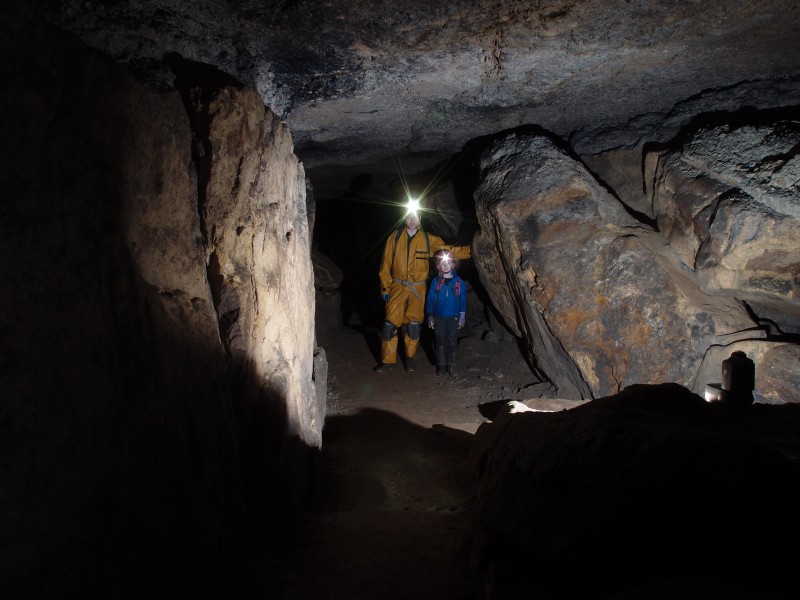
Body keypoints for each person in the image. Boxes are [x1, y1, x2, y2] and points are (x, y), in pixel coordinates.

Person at [375, 209, 470, 373]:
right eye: (409, 217)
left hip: (418, 288)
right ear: (405, 218)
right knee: (389, 325)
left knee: (413, 326)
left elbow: (449, 250)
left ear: (420, 218)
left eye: (415, 217)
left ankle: (410, 359)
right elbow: (385, 263)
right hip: (397, 286)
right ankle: (387, 361)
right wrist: (385, 286)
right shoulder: (395, 238)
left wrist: (470, 250)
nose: (412, 220)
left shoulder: (428, 239)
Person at [426, 250, 467, 376]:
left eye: (448, 263)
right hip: (439, 317)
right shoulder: (435, 282)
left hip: (453, 317)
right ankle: (441, 366)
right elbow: (430, 299)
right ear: (439, 266)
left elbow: (463, 300)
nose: (445, 265)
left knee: (452, 342)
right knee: (440, 342)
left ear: (453, 265)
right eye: (442, 263)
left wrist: (462, 316)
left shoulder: (459, 282)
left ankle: (452, 366)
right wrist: (429, 315)